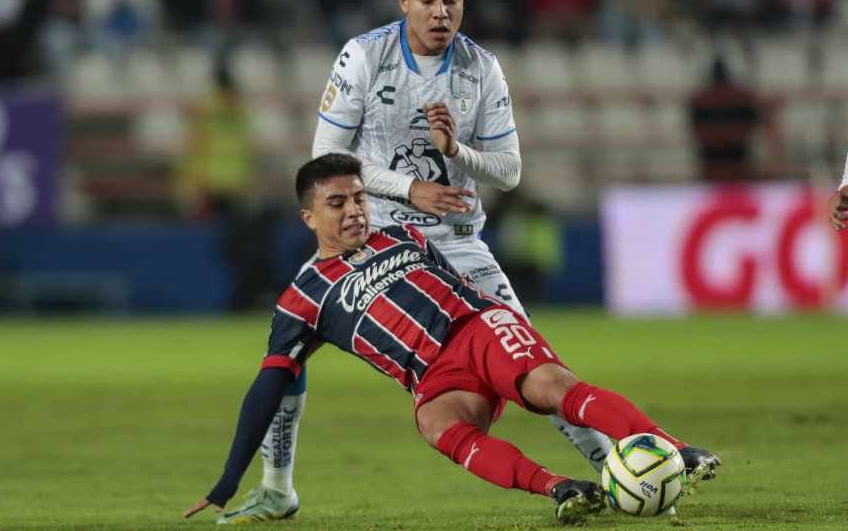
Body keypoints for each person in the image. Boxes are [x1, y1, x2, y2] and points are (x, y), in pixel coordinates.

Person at [233, 0, 615, 521]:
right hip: (378, 239)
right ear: (403, 1)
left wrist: (459, 152)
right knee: (288, 346)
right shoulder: (363, 56)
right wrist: (409, 189)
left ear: (464, 3)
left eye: (452, 0)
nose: (440, 12)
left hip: (459, 239)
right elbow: (326, 158)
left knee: (534, 361)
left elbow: (509, 171)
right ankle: (277, 486)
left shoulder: (480, 68)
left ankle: (615, 472)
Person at [182, 154, 721, 525]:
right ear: (308, 217)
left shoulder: (403, 234)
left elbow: (455, 281)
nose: (354, 211)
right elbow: (268, 388)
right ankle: (561, 488)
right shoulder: (301, 300)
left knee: (550, 388)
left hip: (477, 327)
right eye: (337, 203)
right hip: (433, 377)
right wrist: (230, 478)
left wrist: (498, 320)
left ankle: (675, 448)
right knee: (434, 424)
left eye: (359, 198)